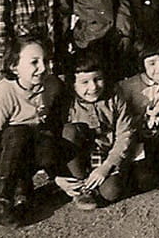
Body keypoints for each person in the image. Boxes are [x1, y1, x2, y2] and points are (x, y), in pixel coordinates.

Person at [0, 35, 64, 226]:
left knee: (47, 135)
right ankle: (3, 195)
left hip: (35, 145)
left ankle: (26, 186)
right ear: (14, 66)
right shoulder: (5, 93)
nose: (43, 67)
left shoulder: (52, 85)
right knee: (18, 133)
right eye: (34, 62)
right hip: (8, 151)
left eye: (46, 60)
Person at [55, 49, 135, 211]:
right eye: (84, 82)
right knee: (69, 131)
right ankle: (83, 186)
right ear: (72, 84)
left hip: (107, 155)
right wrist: (58, 175)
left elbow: (125, 134)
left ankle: (107, 179)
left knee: (111, 192)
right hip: (80, 157)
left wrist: (107, 167)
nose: (93, 87)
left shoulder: (115, 98)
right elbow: (56, 141)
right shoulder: (66, 103)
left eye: (98, 79)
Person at [117, 42, 159, 189]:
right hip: (140, 136)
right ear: (142, 65)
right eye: (152, 63)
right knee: (146, 181)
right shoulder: (129, 86)